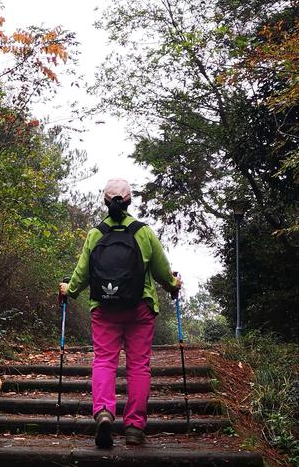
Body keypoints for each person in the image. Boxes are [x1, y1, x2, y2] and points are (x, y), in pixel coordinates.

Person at [59, 178, 182, 448]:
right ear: (129, 201)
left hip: (104, 309)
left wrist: (69, 290)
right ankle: (135, 427)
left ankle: (104, 412)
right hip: (140, 308)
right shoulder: (143, 232)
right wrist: (174, 284)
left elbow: (81, 274)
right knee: (138, 366)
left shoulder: (96, 233)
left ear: (105, 202)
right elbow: (163, 271)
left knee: (104, 361)